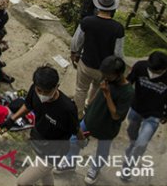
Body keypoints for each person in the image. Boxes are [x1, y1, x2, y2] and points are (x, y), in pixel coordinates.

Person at [57, 56, 134, 184]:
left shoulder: (128, 92)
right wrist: (89, 104)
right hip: (91, 118)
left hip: (108, 127)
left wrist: (107, 95)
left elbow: (116, 116)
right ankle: (69, 162)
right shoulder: (107, 79)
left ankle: (94, 169)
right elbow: (99, 92)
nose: (105, 77)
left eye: (108, 75)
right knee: (74, 139)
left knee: (102, 151)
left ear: (118, 74)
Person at [7, 66, 80, 186]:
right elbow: (28, 105)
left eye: (46, 92)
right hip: (39, 142)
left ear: (56, 87)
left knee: (22, 182)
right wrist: (12, 119)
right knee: (45, 174)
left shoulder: (67, 108)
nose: (42, 95)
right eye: (39, 90)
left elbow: (75, 128)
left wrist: (81, 139)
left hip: (54, 151)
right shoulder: (34, 89)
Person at [121, 51, 167, 182]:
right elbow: (128, 82)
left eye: (156, 71)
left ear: (164, 69)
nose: (152, 72)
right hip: (136, 108)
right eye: (150, 68)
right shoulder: (140, 67)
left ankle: (127, 168)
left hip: (154, 114)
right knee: (132, 135)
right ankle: (131, 146)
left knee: (141, 144)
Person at [71, 0, 125, 119]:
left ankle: (78, 114)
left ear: (98, 5)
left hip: (87, 63)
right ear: (113, 8)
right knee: (97, 88)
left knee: (81, 89)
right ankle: (89, 109)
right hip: (104, 69)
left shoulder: (87, 21)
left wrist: (74, 53)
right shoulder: (118, 28)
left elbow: (77, 41)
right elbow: (118, 52)